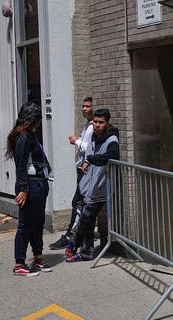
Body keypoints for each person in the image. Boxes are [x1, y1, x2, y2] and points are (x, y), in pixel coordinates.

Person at [65, 108, 119, 262]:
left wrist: (91, 159)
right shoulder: (95, 136)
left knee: (86, 218)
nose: (97, 125)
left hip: (101, 187)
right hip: (90, 185)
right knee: (87, 219)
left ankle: (73, 245)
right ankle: (86, 252)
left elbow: (112, 156)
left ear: (107, 123)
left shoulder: (111, 138)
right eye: (95, 122)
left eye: (101, 122)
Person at [6, 102, 52, 276]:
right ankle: (19, 264)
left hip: (38, 183)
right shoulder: (23, 137)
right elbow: (21, 166)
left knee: (37, 223)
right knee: (26, 225)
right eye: (37, 118)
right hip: (30, 185)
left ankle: (38, 258)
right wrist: (24, 189)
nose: (39, 122)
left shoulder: (30, 134)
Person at [48, 97, 95, 250]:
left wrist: (76, 141)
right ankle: (78, 236)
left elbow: (91, 148)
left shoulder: (95, 126)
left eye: (87, 106)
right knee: (80, 203)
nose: (84, 109)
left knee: (78, 203)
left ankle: (71, 236)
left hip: (86, 170)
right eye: (83, 106)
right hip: (81, 169)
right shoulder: (88, 125)